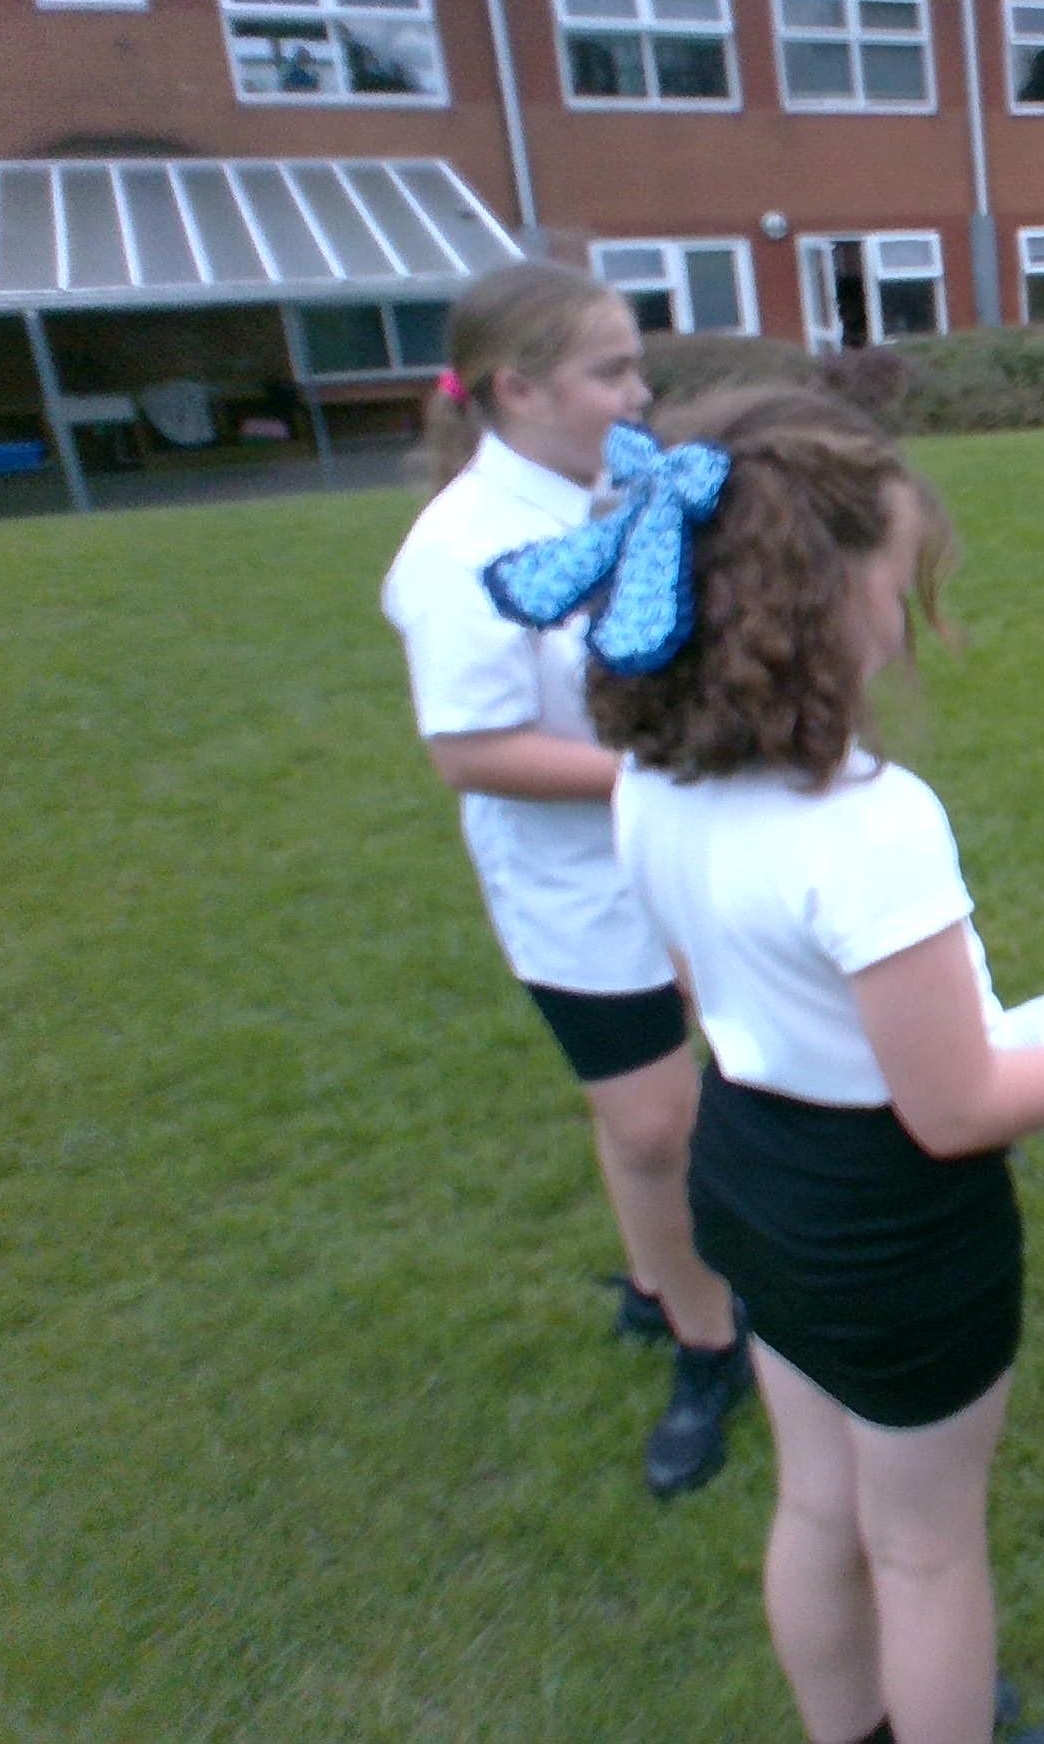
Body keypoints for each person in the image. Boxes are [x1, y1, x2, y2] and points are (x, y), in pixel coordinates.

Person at [493, 383, 1044, 1744]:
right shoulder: (870, 826)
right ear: (819, 600)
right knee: (927, 1550)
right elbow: (957, 1110)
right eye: (894, 578)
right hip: (887, 1220)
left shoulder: (648, 781)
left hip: (749, 1166)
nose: (902, 611)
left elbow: (708, 988)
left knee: (820, 1501)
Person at [381, 260, 749, 1499]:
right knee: (654, 1122)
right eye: (612, 371)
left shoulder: (619, 489)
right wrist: (658, 772)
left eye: (636, 365)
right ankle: (710, 1344)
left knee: (678, 1099)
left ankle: (657, 1281)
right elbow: (470, 751)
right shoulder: (460, 550)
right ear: (517, 389)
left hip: (675, 856)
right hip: (575, 891)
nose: (640, 392)